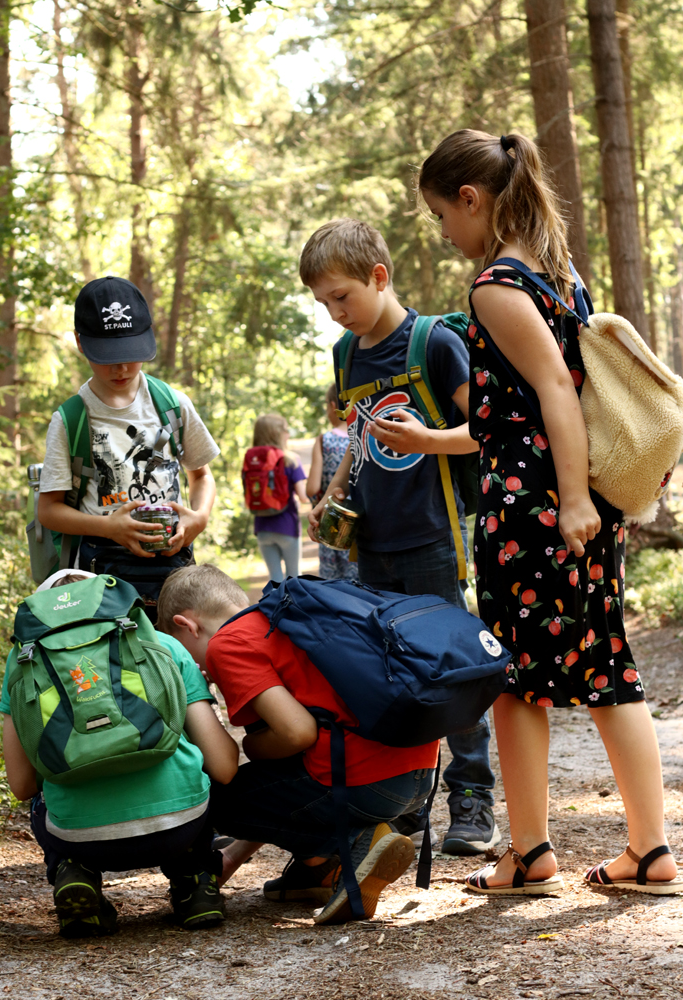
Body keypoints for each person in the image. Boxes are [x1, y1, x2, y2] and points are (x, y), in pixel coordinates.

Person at [418, 128, 683, 895]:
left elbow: (558, 394)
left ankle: (530, 852)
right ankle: (647, 849)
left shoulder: (496, 287)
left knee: (515, 679)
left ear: (472, 200)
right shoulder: (562, 279)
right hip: (580, 497)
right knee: (606, 666)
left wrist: (567, 501)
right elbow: (521, 411)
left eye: (443, 217)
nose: (444, 234)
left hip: (537, 509)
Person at [300, 218, 500, 856]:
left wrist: (427, 440)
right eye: (323, 303)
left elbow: (488, 431)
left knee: (453, 667)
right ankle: (404, 804)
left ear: (379, 277)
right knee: (390, 677)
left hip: (434, 536)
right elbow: (360, 435)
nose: (335, 315)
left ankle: (471, 797)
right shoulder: (345, 356)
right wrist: (330, 494)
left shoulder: (433, 343)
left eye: (342, 298)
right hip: (371, 545)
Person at [157, 563, 438, 925]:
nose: (195, 666)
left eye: (185, 654)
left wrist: (252, 748)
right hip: (417, 775)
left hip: (367, 784)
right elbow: (286, 774)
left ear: (187, 625)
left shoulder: (228, 643)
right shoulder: (280, 619)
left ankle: (357, 842)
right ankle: (316, 869)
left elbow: (298, 733)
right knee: (275, 782)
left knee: (212, 797)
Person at [0, 569, 240, 937]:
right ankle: (194, 880)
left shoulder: (22, 663)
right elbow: (223, 768)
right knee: (200, 763)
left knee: (39, 798)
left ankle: (73, 871)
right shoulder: (162, 644)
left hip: (79, 837)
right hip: (181, 828)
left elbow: (20, 784)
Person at [37, 275, 219, 624]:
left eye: (131, 355)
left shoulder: (171, 404)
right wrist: (110, 528)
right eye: (108, 356)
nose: (121, 367)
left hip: (173, 562)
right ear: (80, 342)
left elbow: (201, 475)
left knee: (177, 658)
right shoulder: (72, 419)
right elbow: (49, 511)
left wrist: (200, 517)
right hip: (102, 569)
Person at [305, 383, 359, 581]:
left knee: (334, 586)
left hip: (332, 525)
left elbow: (312, 488)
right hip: (359, 525)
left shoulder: (324, 440)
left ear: (333, 404)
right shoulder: (366, 434)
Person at [251, 414, 308, 582]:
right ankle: (293, 609)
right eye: (286, 430)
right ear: (277, 433)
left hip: (262, 527)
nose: (288, 434)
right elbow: (304, 497)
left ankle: (274, 608)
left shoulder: (251, 461)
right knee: (294, 578)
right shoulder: (290, 460)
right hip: (287, 526)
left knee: (275, 579)